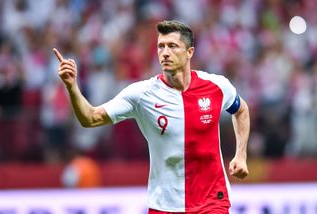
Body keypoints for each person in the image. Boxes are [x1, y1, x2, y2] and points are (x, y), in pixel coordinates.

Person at [53, 20, 250, 214]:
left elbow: (241, 110)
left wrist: (241, 155)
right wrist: (71, 86)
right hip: (164, 205)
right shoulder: (141, 95)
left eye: (172, 46)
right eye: (160, 47)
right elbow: (90, 118)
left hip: (212, 202)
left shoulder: (216, 86)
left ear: (189, 52)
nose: (165, 53)